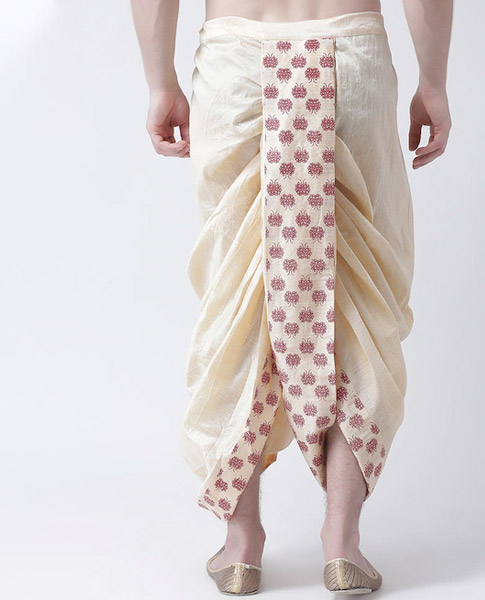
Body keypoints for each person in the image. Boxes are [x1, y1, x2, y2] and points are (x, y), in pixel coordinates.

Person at [131, 0, 452, 594]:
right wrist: (433, 81)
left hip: (235, 64)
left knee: (238, 302)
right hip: (351, 59)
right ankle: (342, 543)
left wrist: (160, 82)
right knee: (357, 304)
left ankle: (241, 546)